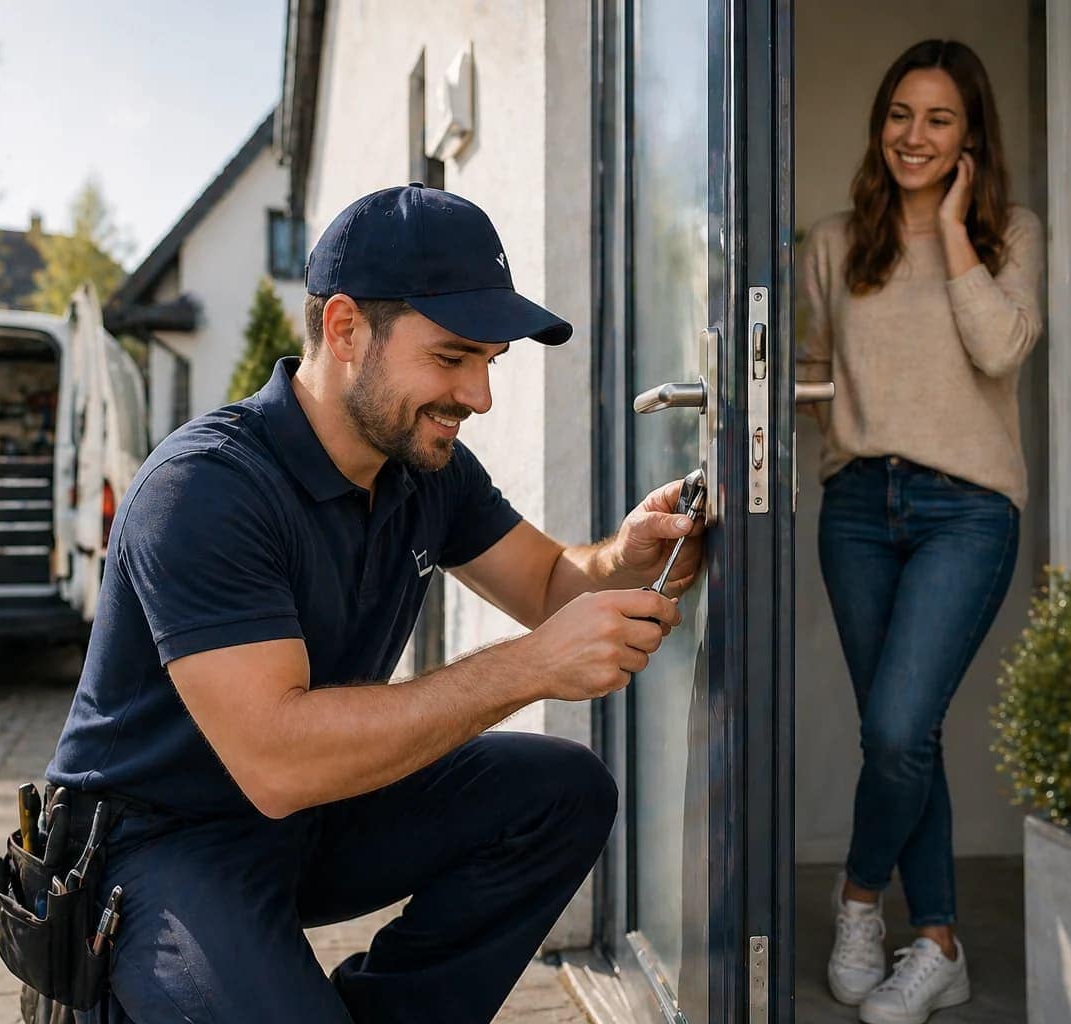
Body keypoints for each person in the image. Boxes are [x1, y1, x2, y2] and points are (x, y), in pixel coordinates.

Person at [45, 183, 705, 1023]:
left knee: (563, 792)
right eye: (452, 357)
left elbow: (546, 584)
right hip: (160, 845)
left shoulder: (423, 466)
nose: (479, 397)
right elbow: (277, 761)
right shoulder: (204, 488)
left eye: (489, 364)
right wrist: (532, 668)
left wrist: (626, 554)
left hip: (309, 814)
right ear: (345, 328)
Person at [798, 40, 1043, 1024]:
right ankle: (939, 941)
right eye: (901, 113)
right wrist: (853, 428)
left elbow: (1000, 348)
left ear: (969, 134)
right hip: (858, 509)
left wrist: (950, 233)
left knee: (898, 728)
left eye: (939, 119)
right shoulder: (833, 241)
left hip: (968, 510)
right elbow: (811, 373)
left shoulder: (1012, 234)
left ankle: (859, 899)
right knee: (906, 738)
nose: (914, 135)